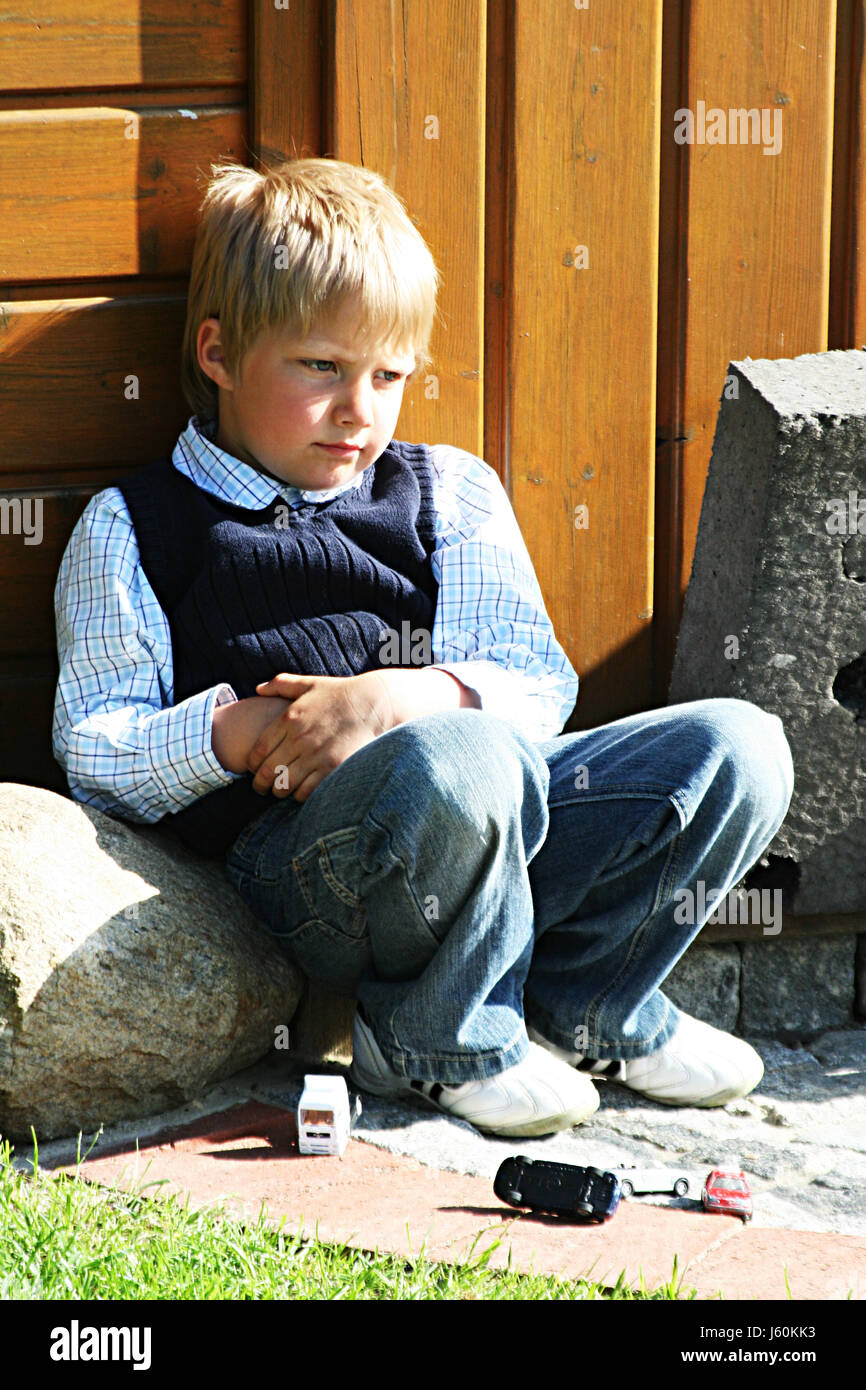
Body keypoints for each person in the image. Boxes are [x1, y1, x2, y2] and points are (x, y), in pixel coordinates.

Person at [53, 156, 795, 1140]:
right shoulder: (136, 526)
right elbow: (96, 749)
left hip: (486, 821)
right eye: (319, 367)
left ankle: (591, 1002)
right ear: (219, 354)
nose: (359, 409)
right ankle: (438, 1039)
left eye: (387, 375)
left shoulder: (446, 489)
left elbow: (536, 680)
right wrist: (235, 731)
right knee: (467, 753)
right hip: (306, 872)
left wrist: (397, 697)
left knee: (738, 745)